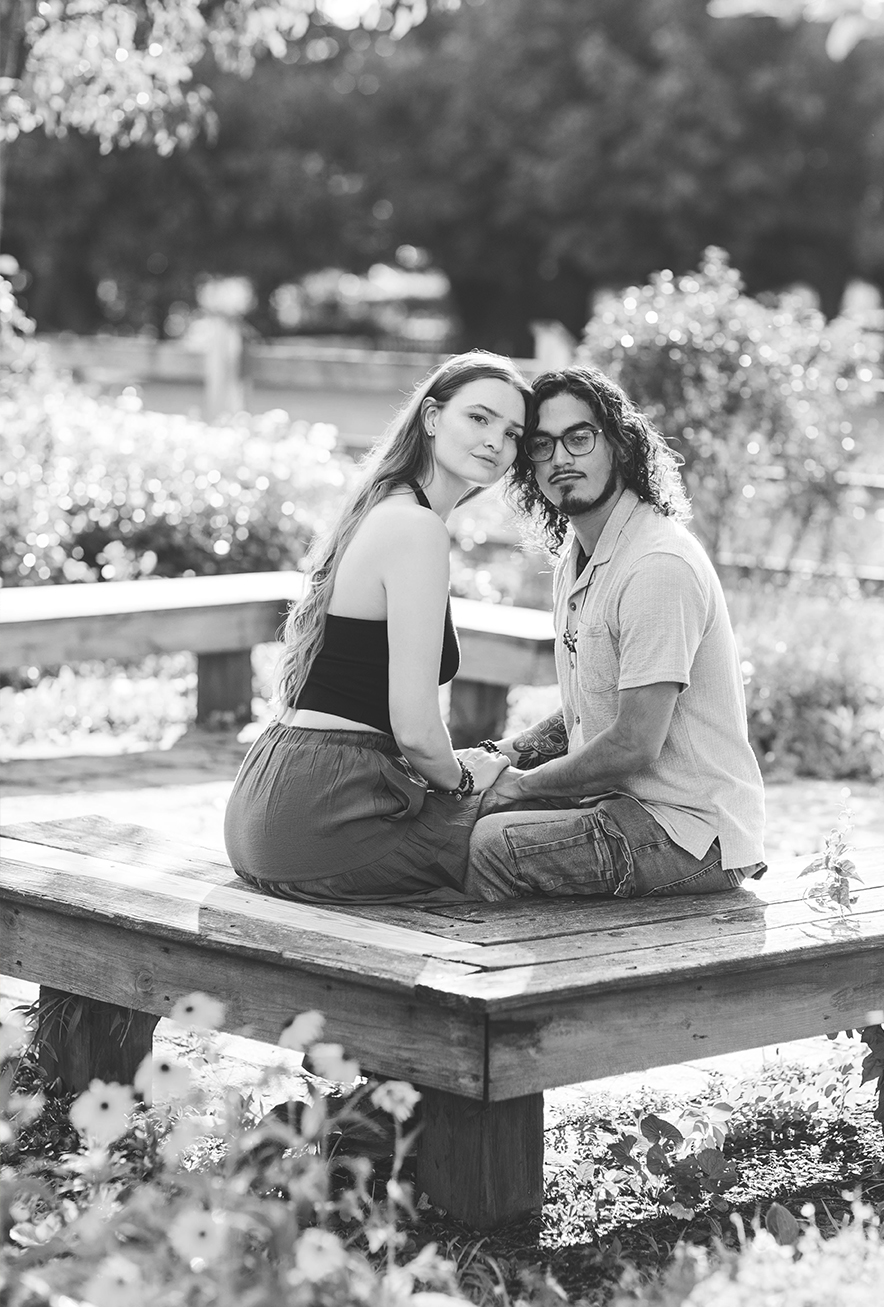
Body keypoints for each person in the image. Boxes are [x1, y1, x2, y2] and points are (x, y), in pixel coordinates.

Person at [224, 353, 525, 902]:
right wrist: (461, 778)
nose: (496, 442)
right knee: (542, 833)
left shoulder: (384, 506)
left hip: (271, 802)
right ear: (432, 417)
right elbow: (414, 729)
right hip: (330, 816)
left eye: (513, 433)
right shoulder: (416, 528)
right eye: (479, 419)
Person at [461, 366, 767, 900]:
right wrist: (497, 754)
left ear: (620, 445)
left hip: (693, 833)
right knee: (459, 810)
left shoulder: (656, 565)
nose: (560, 459)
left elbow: (631, 744)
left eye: (579, 438)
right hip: (622, 805)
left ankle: (515, 975)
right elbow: (588, 711)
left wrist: (519, 788)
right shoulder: (581, 557)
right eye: (541, 445)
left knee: (495, 841)